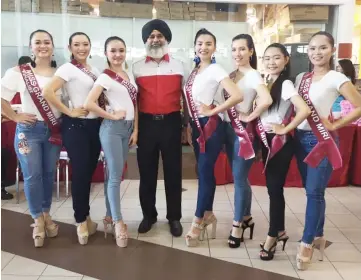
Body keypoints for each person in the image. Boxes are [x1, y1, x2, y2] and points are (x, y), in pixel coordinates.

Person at [294, 31, 361, 270]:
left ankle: (306, 243)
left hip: (320, 140)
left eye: (322, 48)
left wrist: (335, 124)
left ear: (332, 50)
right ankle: (318, 234)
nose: (316, 53)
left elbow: (358, 106)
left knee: (314, 193)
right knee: (313, 192)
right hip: (299, 138)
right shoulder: (302, 77)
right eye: (312, 48)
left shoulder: (335, 77)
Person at [1, 30, 61, 247]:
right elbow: (2, 97)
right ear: (30, 47)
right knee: (32, 175)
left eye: (47, 42)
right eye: (38, 42)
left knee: (47, 174)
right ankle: (36, 219)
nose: (43, 46)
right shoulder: (19, 72)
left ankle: (46, 214)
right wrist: (15, 116)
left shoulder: (60, 73)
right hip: (29, 131)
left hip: (54, 132)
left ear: (53, 46)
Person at [184, 28, 243, 247]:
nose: (203, 47)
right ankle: (207, 213)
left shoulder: (216, 69)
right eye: (200, 43)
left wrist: (213, 111)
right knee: (204, 173)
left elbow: (237, 95)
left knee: (205, 173)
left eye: (208, 43)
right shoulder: (196, 70)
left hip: (210, 127)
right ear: (195, 46)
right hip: (196, 126)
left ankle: (198, 220)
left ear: (215, 47)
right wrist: (189, 125)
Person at [43, 32, 101, 245]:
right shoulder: (67, 68)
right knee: (80, 174)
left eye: (85, 44)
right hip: (76, 127)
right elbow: (47, 91)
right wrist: (68, 111)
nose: (81, 48)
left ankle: (86, 216)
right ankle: (80, 222)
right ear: (69, 48)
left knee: (87, 174)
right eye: (76, 45)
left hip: (95, 126)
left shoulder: (93, 69)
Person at [133, 19, 186, 237]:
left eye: (159, 36)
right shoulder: (136, 67)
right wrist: (134, 128)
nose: (155, 40)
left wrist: (187, 126)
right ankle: (149, 215)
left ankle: (174, 217)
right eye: (151, 36)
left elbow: (187, 97)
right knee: (147, 174)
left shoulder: (180, 65)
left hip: (172, 123)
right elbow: (133, 100)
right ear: (146, 40)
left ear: (167, 38)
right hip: (145, 125)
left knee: (174, 173)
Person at [84, 36, 138, 247]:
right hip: (112, 130)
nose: (117, 55)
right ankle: (118, 222)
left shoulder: (128, 74)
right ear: (106, 53)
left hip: (128, 129)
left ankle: (108, 215)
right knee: (115, 177)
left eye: (121, 50)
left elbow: (135, 103)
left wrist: (136, 129)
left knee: (113, 176)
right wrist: (112, 116)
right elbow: (89, 103)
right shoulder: (105, 77)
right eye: (113, 51)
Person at [259, 43, 310, 260]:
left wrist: (285, 129)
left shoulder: (286, 83)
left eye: (276, 58)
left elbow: (304, 110)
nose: (271, 62)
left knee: (274, 187)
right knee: (273, 189)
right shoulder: (266, 81)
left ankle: (273, 235)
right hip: (266, 139)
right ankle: (278, 230)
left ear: (286, 59)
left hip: (279, 141)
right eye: (267, 58)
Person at [220, 34, 272, 248]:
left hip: (243, 133)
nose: (237, 54)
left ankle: (237, 225)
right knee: (240, 177)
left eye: (242, 49)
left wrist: (249, 117)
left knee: (239, 178)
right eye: (234, 49)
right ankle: (247, 216)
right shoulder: (231, 74)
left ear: (251, 51)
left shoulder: (253, 76)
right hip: (227, 130)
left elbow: (266, 100)